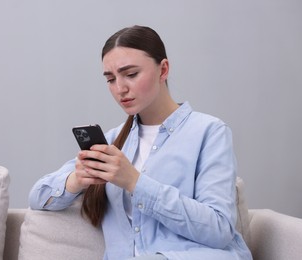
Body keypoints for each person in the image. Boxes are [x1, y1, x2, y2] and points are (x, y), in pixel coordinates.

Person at [29, 25, 252, 260]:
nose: (120, 89)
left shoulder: (209, 132)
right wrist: (76, 180)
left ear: (163, 69)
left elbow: (219, 229)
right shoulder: (114, 142)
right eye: (111, 79)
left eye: (131, 74)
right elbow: (38, 197)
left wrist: (134, 181)